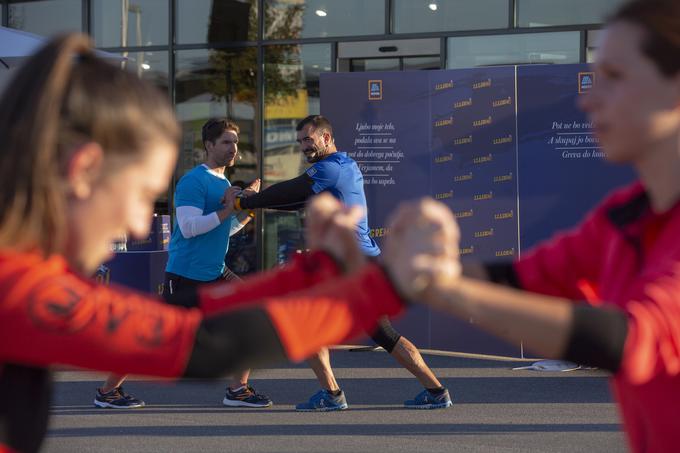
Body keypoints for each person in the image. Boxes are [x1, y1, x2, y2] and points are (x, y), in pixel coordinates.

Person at [0, 34, 429, 453]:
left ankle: (238, 388)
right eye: (139, 195)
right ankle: (121, 391)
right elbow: (188, 347)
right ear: (83, 170)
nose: (136, 223)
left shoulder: (30, 283)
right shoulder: (21, 292)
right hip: (190, 274)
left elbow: (179, 340)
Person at [380, 1, 680, 451]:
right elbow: (524, 279)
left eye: (615, 77)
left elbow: (632, 338)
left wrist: (443, 287)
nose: (588, 98)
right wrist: (409, 268)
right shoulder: (628, 212)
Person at [235, 115, 452, 411]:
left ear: (326, 137)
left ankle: (332, 394)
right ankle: (436, 391)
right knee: (383, 334)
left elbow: (294, 191)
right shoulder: (344, 165)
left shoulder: (331, 168)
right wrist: (255, 201)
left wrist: (245, 202)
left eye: (308, 140)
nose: (303, 147)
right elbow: (296, 201)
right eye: (299, 141)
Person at [159, 118, 270, 408]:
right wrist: (226, 208)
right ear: (209, 145)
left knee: (253, 314)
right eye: (226, 142)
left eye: (235, 142)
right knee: (156, 338)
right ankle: (108, 392)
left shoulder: (224, 183)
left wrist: (248, 209)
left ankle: (238, 389)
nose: (233, 148)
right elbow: (190, 226)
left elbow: (225, 230)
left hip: (216, 271)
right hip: (186, 274)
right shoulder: (193, 181)